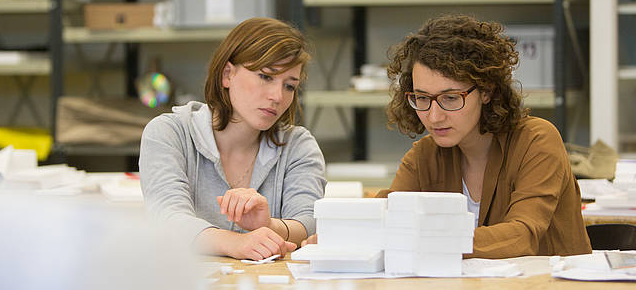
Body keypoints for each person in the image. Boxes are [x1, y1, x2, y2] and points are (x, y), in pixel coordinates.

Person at [304, 14, 591, 258]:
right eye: (422, 98)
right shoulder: (425, 155)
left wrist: (425, 241)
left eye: (451, 98)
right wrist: (340, 237)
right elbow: (385, 214)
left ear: (487, 91)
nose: (434, 116)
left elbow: (523, 234)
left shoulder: (536, 140)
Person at [139, 17, 326, 261]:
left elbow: (309, 222)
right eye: (266, 77)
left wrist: (269, 224)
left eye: (290, 86)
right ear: (228, 74)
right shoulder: (168, 133)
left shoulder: (298, 145)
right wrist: (235, 243)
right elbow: (167, 218)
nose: (277, 96)